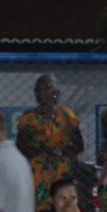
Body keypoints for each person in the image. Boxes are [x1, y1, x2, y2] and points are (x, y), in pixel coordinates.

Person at [16, 73, 86, 202]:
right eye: (39, 89)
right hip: (37, 170)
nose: (42, 92)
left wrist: (61, 151)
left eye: (47, 88)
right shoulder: (28, 118)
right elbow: (20, 147)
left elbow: (79, 145)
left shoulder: (67, 115)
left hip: (62, 170)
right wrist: (41, 150)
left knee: (63, 206)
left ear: (56, 92)